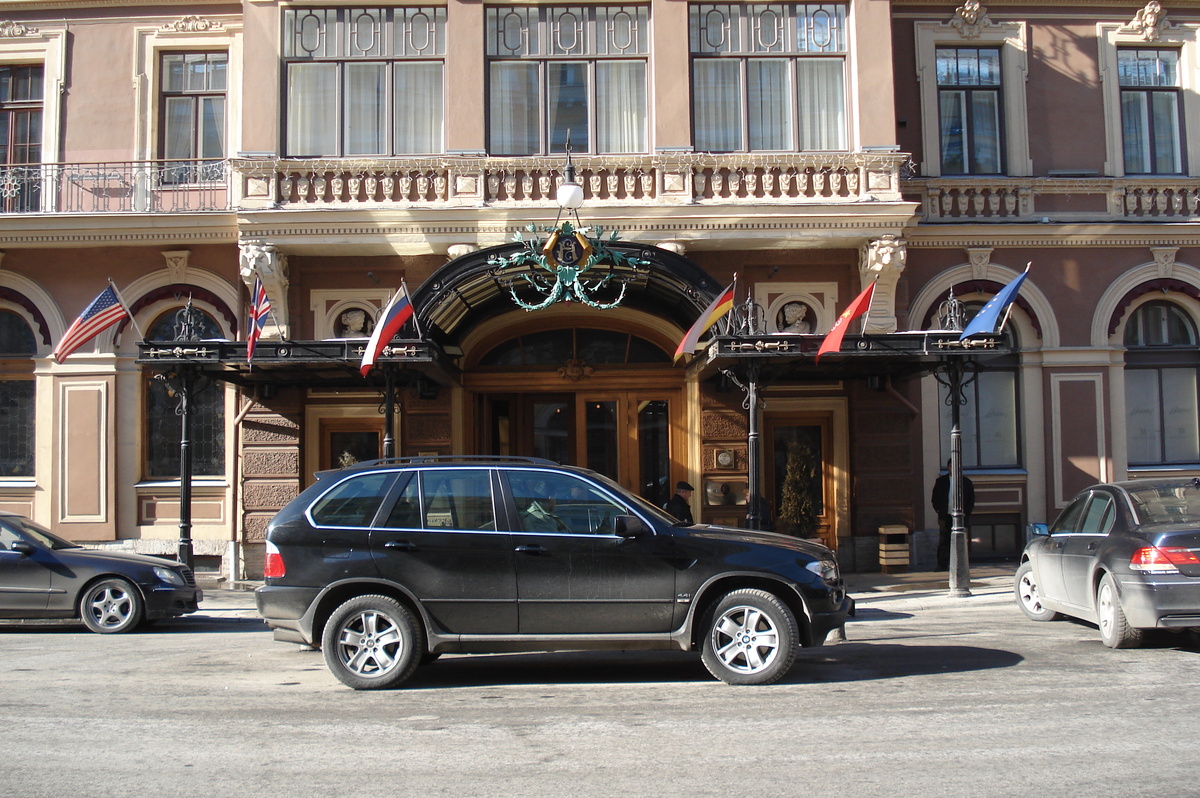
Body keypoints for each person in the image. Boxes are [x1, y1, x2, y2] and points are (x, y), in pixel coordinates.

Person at [931, 460, 975, 570]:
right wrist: (938, 510)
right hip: (945, 516)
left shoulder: (966, 482)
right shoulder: (941, 481)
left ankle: (960, 566)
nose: (953, 468)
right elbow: (935, 498)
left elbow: (971, 500)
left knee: (961, 541)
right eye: (951, 466)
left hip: (961, 517)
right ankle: (942, 565)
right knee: (944, 541)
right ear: (948, 467)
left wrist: (966, 513)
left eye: (956, 466)